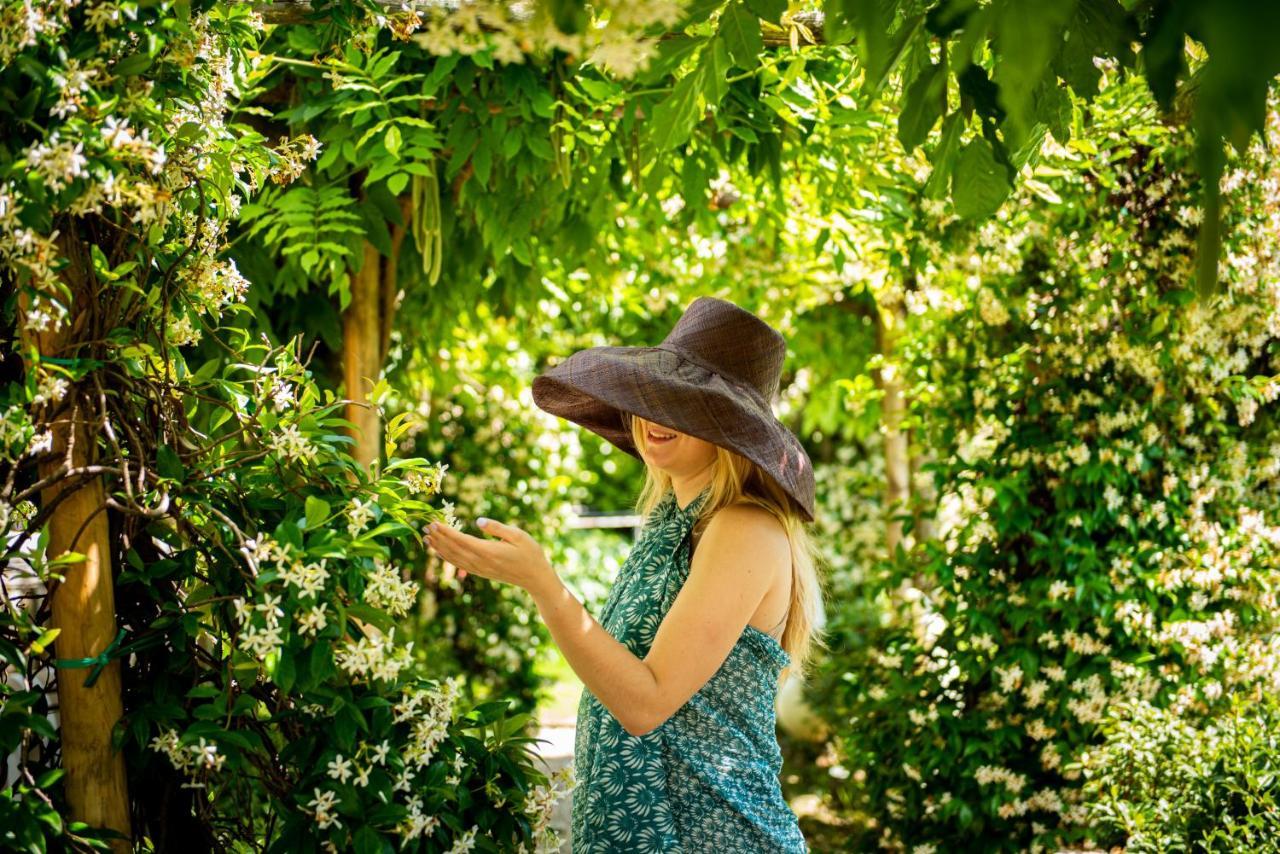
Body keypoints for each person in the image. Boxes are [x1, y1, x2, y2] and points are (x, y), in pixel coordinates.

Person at [425, 296, 823, 852]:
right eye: (654, 398)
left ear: (728, 428)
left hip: (714, 836)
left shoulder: (743, 529)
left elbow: (645, 702)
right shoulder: (671, 522)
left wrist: (546, 587)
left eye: (686, 406)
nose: (656, 417)